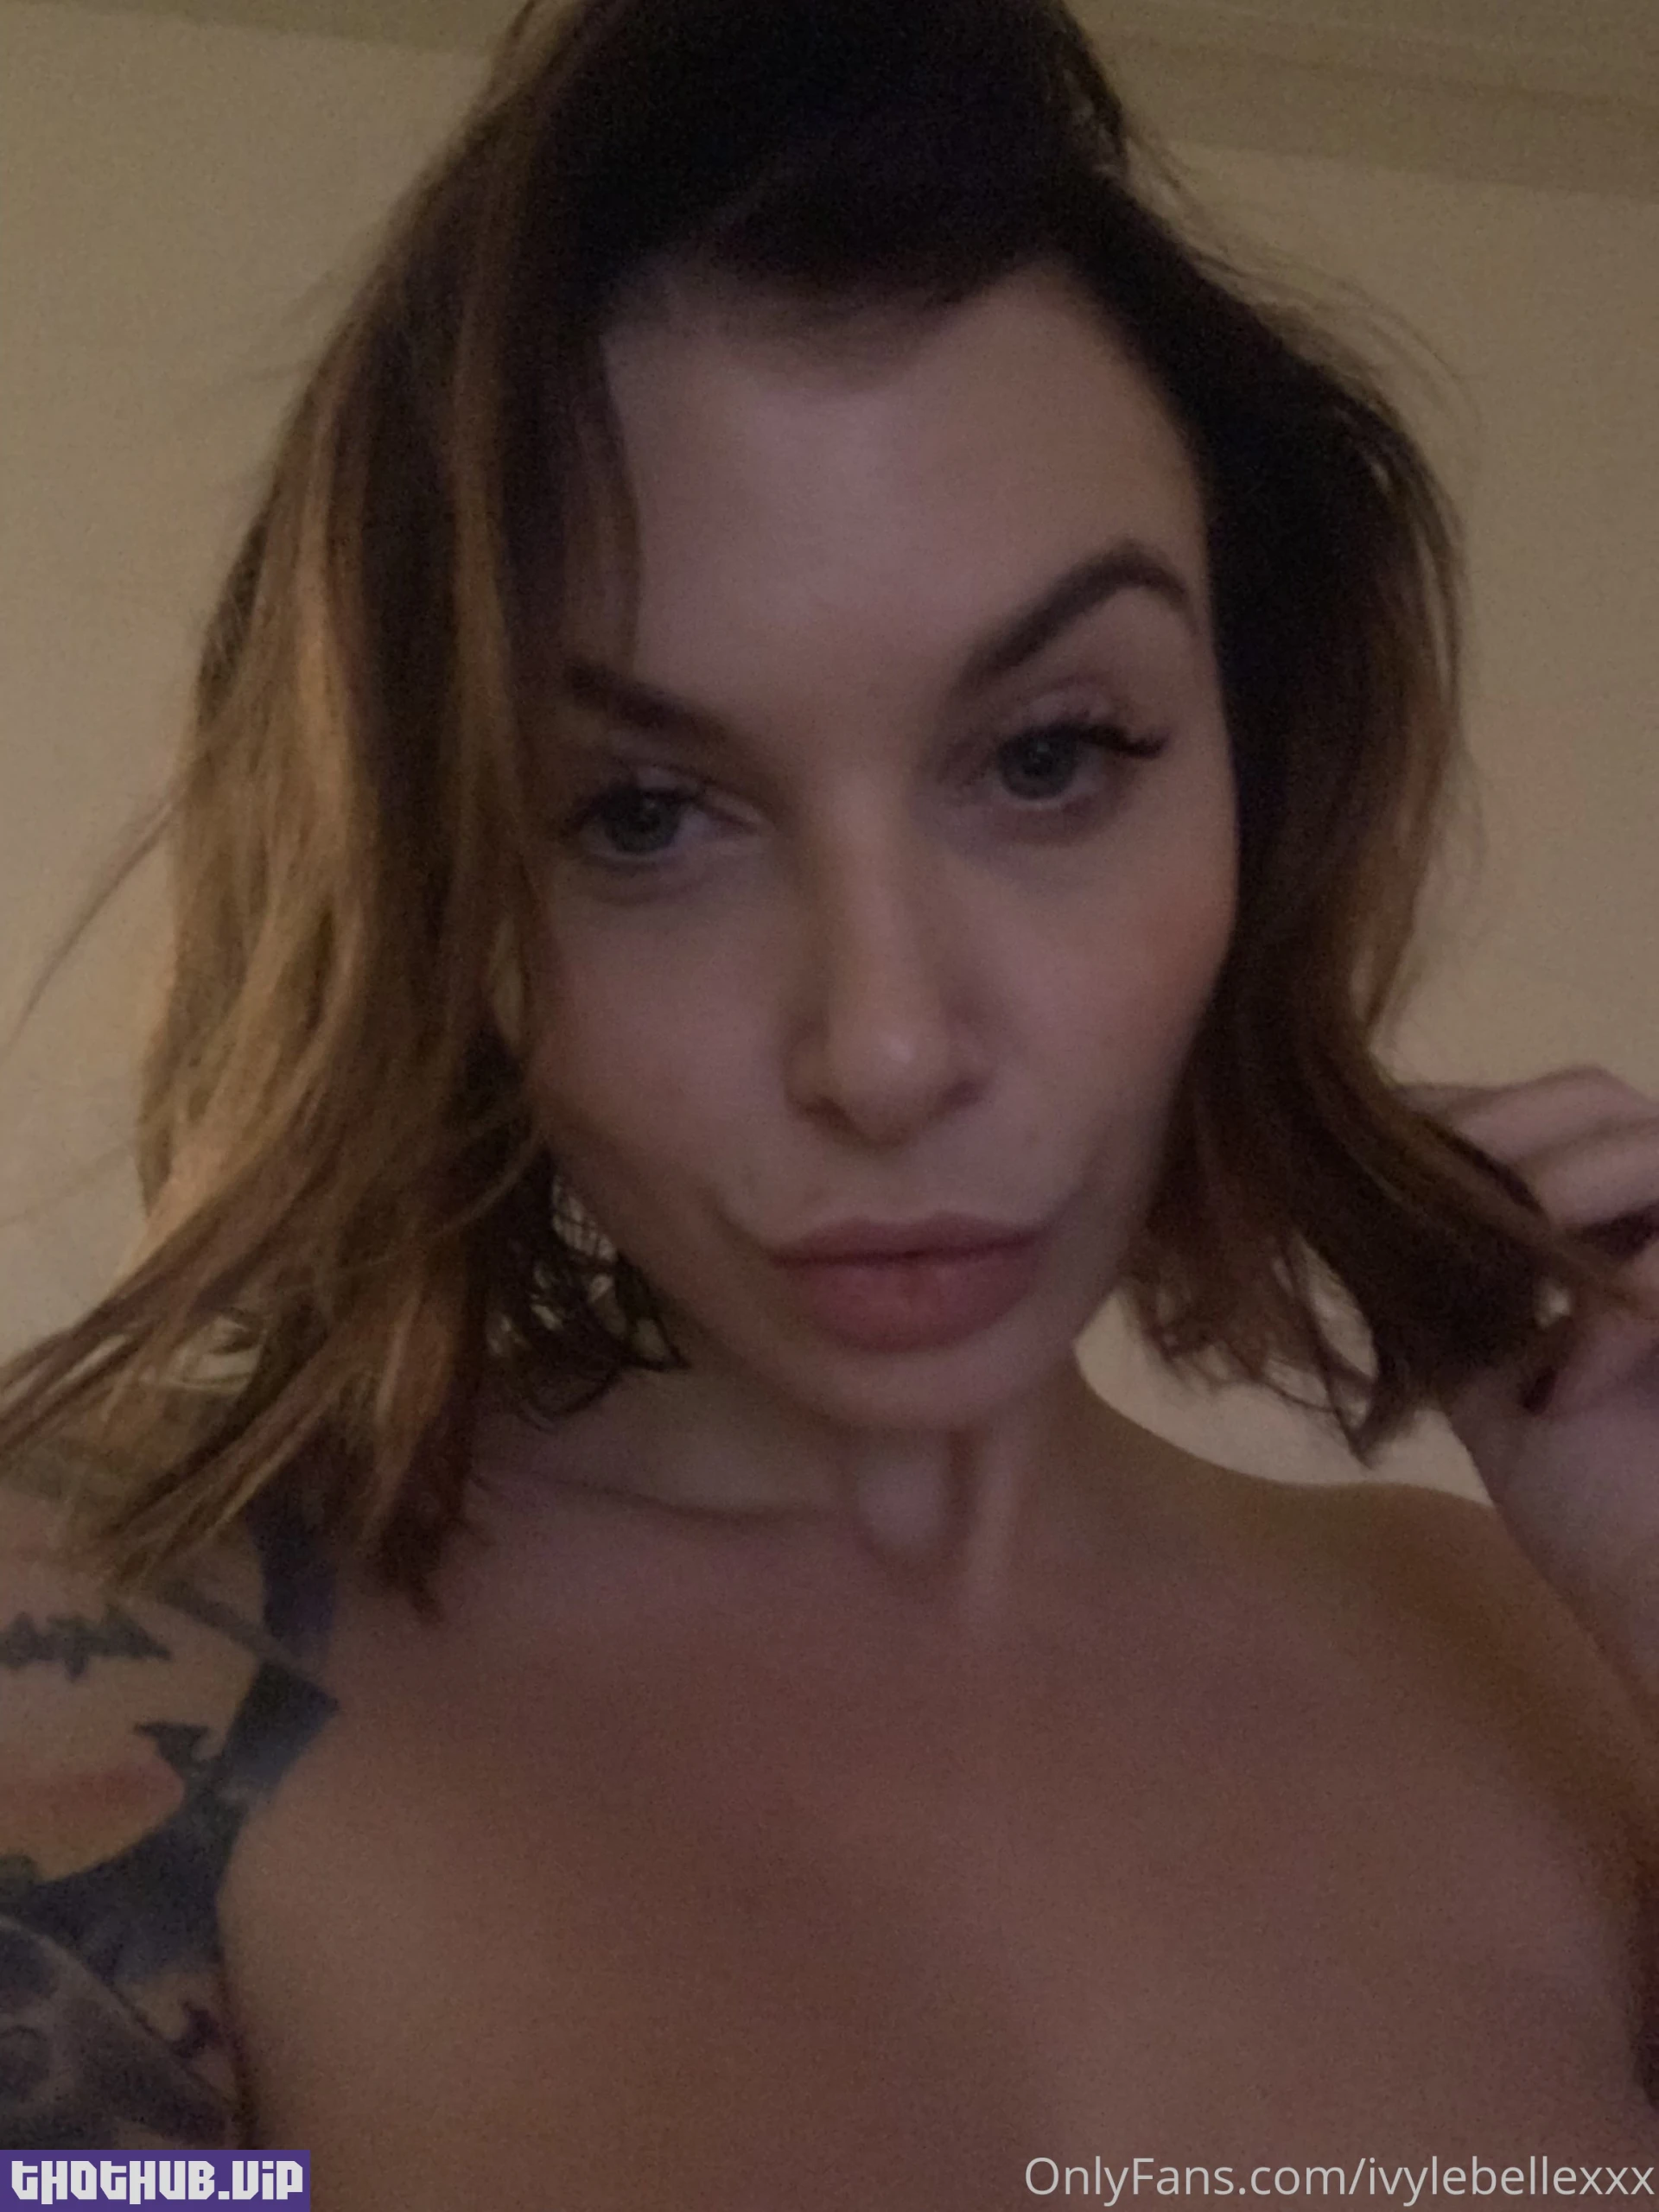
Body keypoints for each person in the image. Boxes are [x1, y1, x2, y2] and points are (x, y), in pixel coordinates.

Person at [3, 0, 1659, 2198]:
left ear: (1262, 784)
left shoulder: (1547, 1646)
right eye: (641, 814)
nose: (884, 1050)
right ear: (444, 889)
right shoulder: (108, 1661)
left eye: (1051, 755)